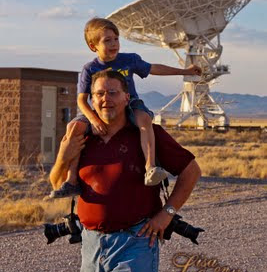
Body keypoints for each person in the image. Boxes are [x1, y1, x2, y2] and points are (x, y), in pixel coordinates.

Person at [49, 70, 201, 272]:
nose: (105, 99)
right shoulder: (81, 137)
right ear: (91, 99)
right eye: (99, 93)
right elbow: (56, 183)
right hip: (91, 244)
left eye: (113, 92)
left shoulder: (146, 135)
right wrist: (63, 155)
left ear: (126, 98)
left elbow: (191, 171)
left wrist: (166, 214)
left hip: (135, 242)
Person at [50, 18, 201, 198]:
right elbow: (82, 100)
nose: (114, 44)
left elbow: (153, 68)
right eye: (107, 40)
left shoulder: (129, 60)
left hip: (130, 104)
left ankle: (150, 167)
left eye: (116, 39)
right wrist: (94, 120)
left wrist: (184, 71)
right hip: (99, 111)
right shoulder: (90, 69)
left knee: (144, 119)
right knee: (73, 128)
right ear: (93, 46)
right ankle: (72, 181)